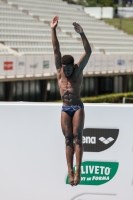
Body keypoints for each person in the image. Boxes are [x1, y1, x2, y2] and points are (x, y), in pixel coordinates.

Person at [51, 15, 92, 186]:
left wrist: (81, 33)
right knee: (67, 139)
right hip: (65, 108)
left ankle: (79, 170)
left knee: (77, 137)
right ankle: (70, 171)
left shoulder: (77, 70)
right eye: (64, 69)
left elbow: (88, 52)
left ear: (73, 66)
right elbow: (55, 48)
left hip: (77, 107)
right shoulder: (60, 70)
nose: (66, 72)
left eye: (68, 69)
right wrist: (52, 29)